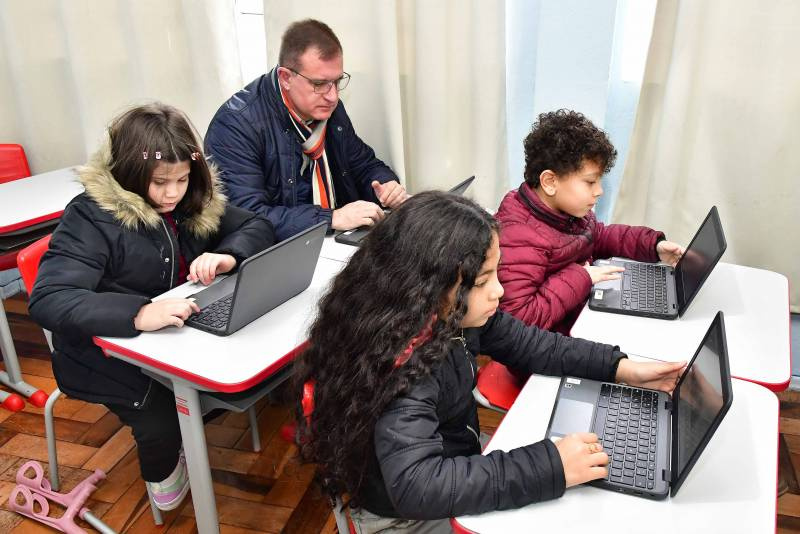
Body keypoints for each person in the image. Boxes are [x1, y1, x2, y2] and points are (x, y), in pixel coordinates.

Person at [294, 191, 685, 533]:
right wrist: (551, 466)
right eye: (483, 282)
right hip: (403, 516)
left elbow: (532, 344)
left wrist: (621, 367)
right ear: (428, 287)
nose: (499, 291)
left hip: (450, 457)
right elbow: (418, 485)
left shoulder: (451, 312)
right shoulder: (401, 364)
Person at [28, 103, 275, 511]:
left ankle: (186, 437)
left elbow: (257, 225)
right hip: (95, 352)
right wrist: (137, 313)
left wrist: (230, 254)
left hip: (168, 339)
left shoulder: (191, 202)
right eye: (160, 182)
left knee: (210, 391)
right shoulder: (91, 218)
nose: (173, 193)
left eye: (182, 179)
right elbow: (50, 298)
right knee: (162, 414)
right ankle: (164, 478)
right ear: (129, 174)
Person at [205, 18, 407, 241]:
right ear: (285, 78)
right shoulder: (235, 126)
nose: (333, 96)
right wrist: (330, 218)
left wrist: (386, 186)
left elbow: (363, 164)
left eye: (337, 82)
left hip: (330, 239)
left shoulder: (328, 109)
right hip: (281, 252)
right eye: (319, 84)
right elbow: (247, 219)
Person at [496, 109, 684, 334]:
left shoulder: (567, 213)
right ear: (549, 181)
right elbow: (519, 319)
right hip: (551, 344)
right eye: (590, 182)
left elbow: (598, 235)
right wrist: (582, 276)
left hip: (578, 313)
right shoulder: (518, 235)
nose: (599, 191)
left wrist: (653, 246)